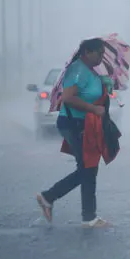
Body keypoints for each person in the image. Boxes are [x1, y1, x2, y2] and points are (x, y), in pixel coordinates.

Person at [36, 38, 120, 228]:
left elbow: (88, 92)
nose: (101, 57)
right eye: (98, 53)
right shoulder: (77, 69)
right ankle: (51, 198)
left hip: (86, 125)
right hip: (74, 124)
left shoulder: (90, 71)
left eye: (102, 53)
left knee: (88, 167)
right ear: (87, 52)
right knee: (87, 168)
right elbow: (68, 98)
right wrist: (93, 108)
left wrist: (104, 86)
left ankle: (86, 215)